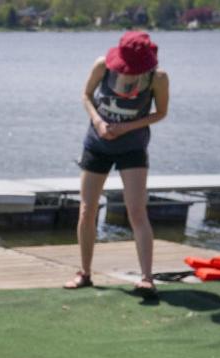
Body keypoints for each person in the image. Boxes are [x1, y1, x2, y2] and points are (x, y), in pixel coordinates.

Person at [66, 30, 169, 296]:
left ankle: (147, 278)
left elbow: (161, 113)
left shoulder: (157, 78)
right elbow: (86, 96)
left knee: (136, 210)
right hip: (97, 145)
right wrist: (99, 122)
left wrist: (126, 128)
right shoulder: (103, 66)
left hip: (132, 148)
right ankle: (85, 273)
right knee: (87, 210)